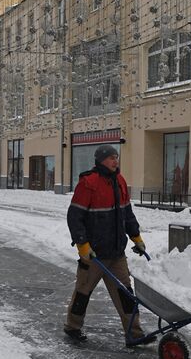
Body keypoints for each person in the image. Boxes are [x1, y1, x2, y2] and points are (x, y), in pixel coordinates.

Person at [63, 145, 155, 347]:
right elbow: (75, 217)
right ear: (101, 160)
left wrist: (136, 237)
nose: (116, 161)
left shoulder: (120, 182)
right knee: (83, 293)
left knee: (126, 295)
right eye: (112, 158)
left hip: (116, 253)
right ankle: (72, 326)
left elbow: (127, 214)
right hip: (94, 254)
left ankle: (135, 334)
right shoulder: (88, 183)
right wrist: (82, 245)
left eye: (117, 157)